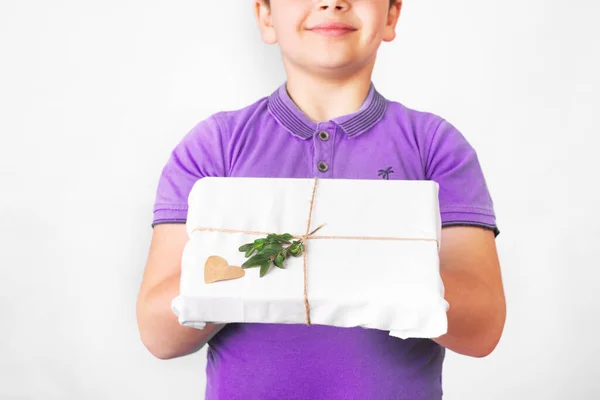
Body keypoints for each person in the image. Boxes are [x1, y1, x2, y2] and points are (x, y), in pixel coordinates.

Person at [136, 1, 506, 399]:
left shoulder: (435, 146)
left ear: (391, 15)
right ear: (265, 16)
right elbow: (160, 335)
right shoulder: (214, 148)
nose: (332, 1)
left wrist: (351, 257)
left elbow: (482, 328)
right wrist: (274, 262)